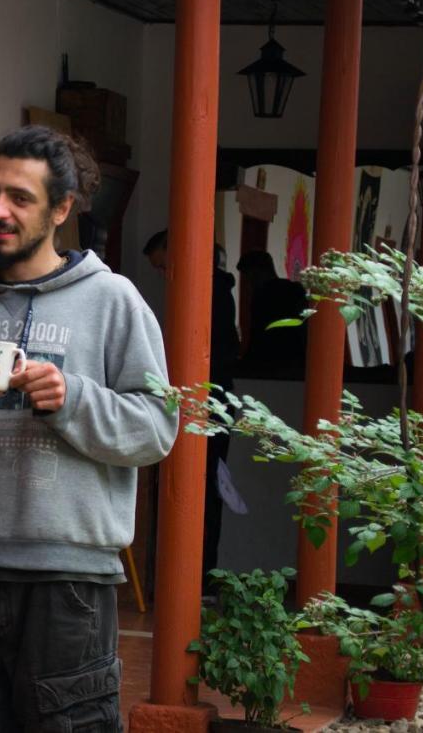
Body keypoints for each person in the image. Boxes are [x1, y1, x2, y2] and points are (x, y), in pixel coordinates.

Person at [0, 125, 178, 731]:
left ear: (62, 209)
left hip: (72, 584)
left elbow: (158, 428)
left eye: (19, 198)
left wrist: (72, 398)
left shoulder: (114, 301)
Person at [143, 231, 238, 589]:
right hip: (208, 401)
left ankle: (198, 578)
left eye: (163, 265)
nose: (163, 273)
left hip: (209, 405)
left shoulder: (209, 295)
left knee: (203, 489)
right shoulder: (213, 292)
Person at [236, 249, 309, 375]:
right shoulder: (294, 291)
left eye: (249, 276)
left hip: (269, 361)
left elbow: (258, 333)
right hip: (296, 359)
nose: (249, 283)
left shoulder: (262, 296)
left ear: (256, 272)